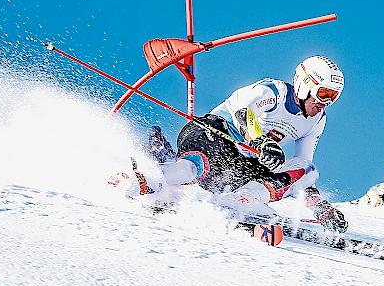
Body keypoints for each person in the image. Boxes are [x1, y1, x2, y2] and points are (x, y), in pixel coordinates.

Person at [112, 56, 348, 232]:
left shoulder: (317, 120)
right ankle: (147, 179)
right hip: (213, 133)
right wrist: (261, 140)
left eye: (333, 97)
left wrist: (320, 208)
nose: (325, 103)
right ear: (305, 84)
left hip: (239, 165)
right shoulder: (272, 91)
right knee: (197, 164)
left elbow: (301, 169)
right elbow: (245, 112)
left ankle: (243, 201)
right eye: (324, 93)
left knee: (308, 169)